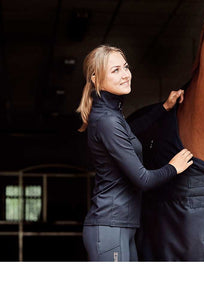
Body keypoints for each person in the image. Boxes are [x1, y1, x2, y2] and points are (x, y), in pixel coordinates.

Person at [76, 45, 193, 262]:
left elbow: (132, 131)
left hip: (120, 226)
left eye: (125, 67)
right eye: (115, 70)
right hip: (110, 228)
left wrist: (164, 108)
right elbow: (143, 179)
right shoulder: (108, 120)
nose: (125, 75)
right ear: (95, 78)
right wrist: (173, 167)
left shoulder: (111, 114)